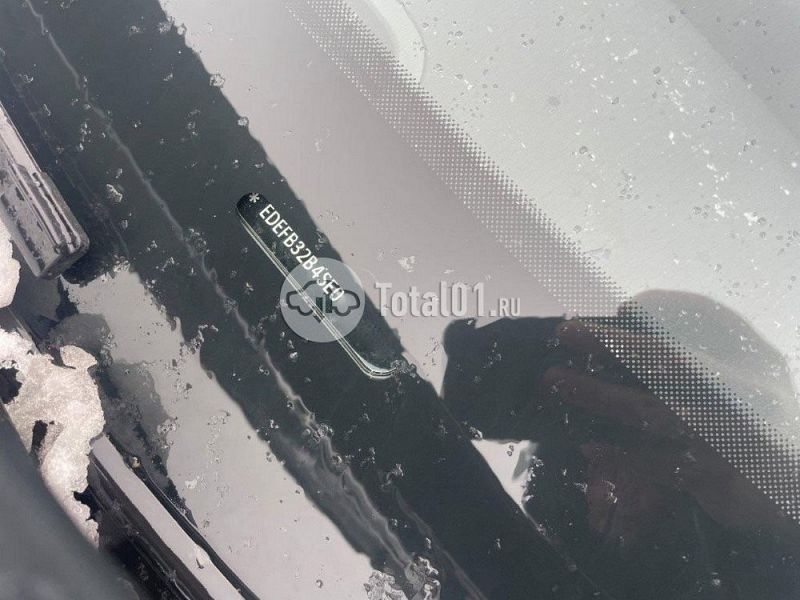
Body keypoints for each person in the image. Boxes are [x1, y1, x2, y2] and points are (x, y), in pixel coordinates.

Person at [442, 290, 800, 599]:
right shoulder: (522, 535)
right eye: (614, 425)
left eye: (668, 436)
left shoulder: (761, 534)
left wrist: (778, 531)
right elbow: (468, 397)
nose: (610, 458)